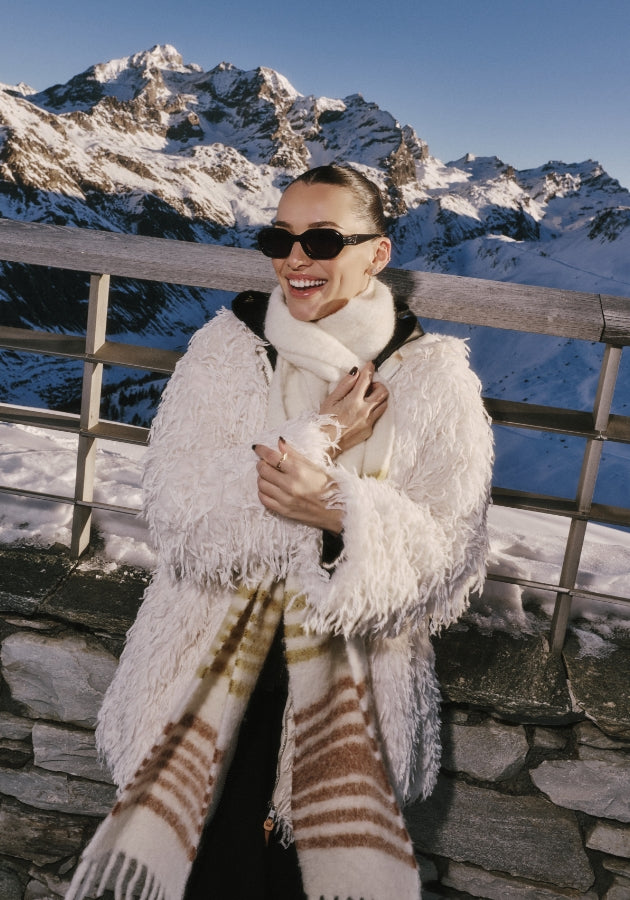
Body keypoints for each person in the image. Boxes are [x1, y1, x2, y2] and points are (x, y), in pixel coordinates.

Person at [66, 164, 493, 900]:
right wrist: (322, 435)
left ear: (377, 253)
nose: (296, 260)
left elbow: (451, 557)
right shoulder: (226, 347)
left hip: (346, 679)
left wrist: (336, 512)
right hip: (208, 664)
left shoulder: (433, 375)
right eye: (279, 238)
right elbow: (177, 511)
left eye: (324, 240)